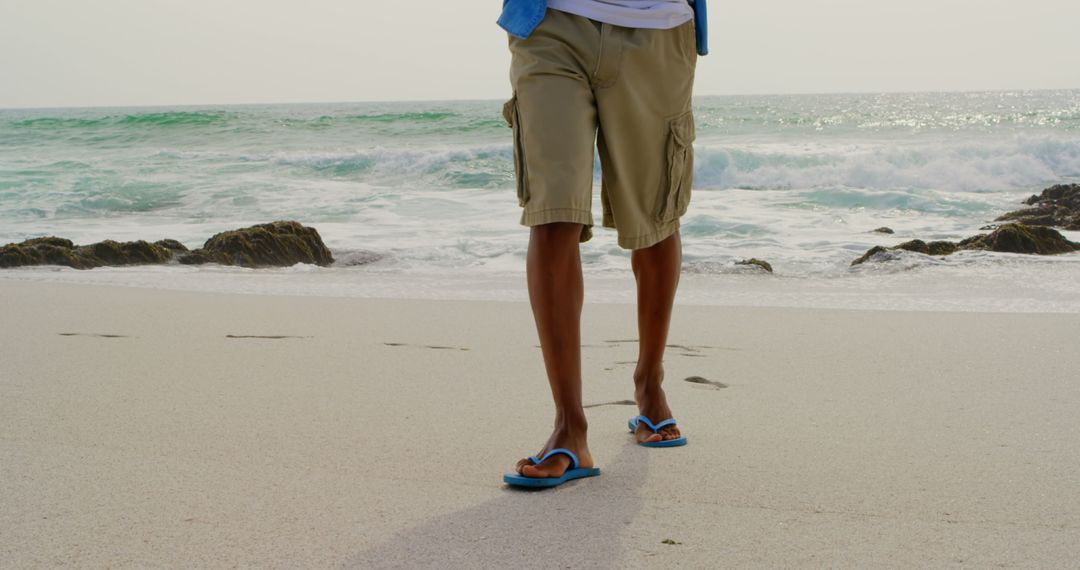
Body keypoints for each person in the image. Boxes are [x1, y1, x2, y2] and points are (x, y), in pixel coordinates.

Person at [499, 0, 707, 488]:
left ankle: (649, 383)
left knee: (654, 219)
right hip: (551, 22)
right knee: (552, 215)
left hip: (658, 27)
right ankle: (569, 427)